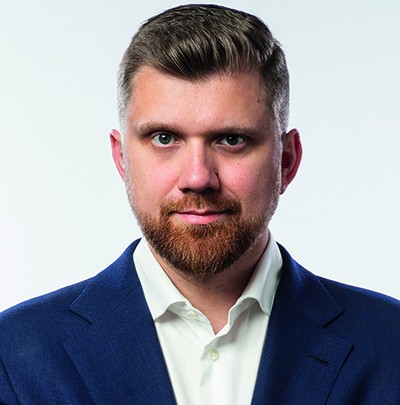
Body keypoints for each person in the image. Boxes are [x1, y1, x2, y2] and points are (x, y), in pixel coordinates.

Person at [0, 4, 399, 404]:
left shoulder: (391, 345)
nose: (197, 177)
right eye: (164, 138)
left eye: (231, 140)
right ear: (122, 159)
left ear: (287, 160)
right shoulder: (12, 356)